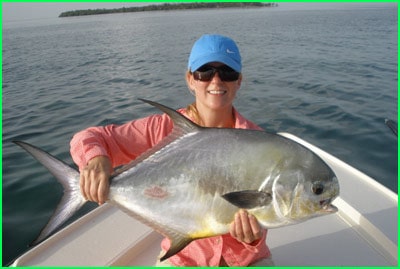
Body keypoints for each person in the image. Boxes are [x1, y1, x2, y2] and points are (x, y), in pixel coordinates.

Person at [70, 34, 271, 266]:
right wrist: (96, 160)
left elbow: (270, 210)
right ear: (190, 79)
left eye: (227, 72)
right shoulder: (162, 129)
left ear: (239, 81)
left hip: (246, 260)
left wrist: (253, 239)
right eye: (204, 72)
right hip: (183, 258)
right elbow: (89, 137)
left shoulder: (259, 144)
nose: (216, 81)